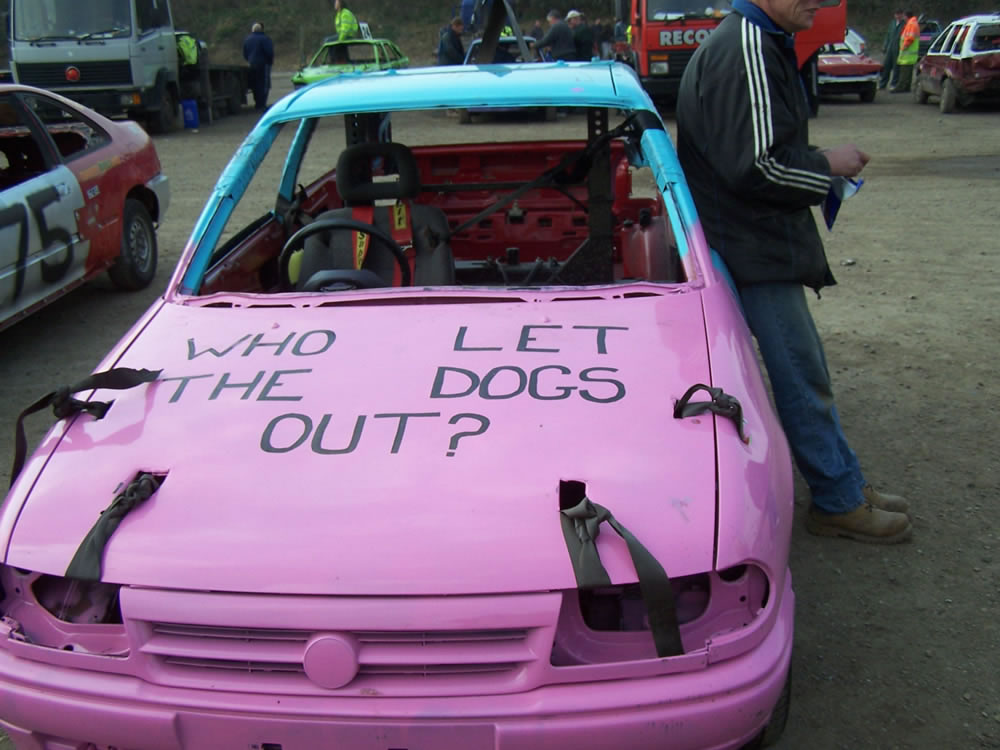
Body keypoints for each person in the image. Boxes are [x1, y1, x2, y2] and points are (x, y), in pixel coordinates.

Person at [676, 0, 913, 544]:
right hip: (752, 245)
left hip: (748, 240)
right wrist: (828, 164)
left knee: (805, 371)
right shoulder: (748, 48)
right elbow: (757, 166)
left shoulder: (747, 41)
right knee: (802, 376)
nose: (820, 1)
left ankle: (844, 484)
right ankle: (837, 500)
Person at [242, 22, 273, 111]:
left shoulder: (247, 39)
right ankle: (262, 104)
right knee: (264, 84)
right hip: (263, 64)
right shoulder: (265, 39)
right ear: (262, 30)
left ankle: (257, 103)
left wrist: (249, 60)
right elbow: (269, 52)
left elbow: (245, 53)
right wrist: (269, 62)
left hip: (252, 64)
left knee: (255, 84)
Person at [893, 9, 920, 92]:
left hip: (907, 54)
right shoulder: (913, 23)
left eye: (904, 16)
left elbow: (910, 38)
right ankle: (906, 87)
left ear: (906, 16)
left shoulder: (911, 24)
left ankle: (900, 87)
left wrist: (904, 47)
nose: (903, 18)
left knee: (904, 73)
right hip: (910, 55)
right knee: (908, 73)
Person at [880, 9, 905, 90]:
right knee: (886, 67)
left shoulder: (904, 24)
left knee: (896, 68)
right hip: (890, 48)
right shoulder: (892, 23)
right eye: (897, 14)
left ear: (902, 15)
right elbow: (888, 35)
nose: (898, 16)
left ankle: (893, 84)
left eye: (900, 14)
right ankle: (882, 84)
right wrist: (885, 46)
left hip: (898, 49)